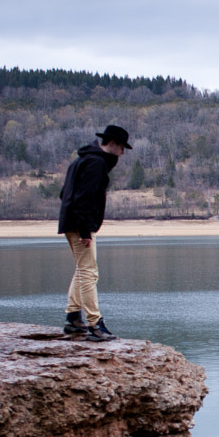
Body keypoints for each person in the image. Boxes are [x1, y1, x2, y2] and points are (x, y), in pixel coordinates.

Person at [57, 125, 130, 339]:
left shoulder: (83, 160)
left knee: (84, 269)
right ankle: (95, 325)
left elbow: (65, 194)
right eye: (122, 147)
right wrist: (86, 230)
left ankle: (73, 318)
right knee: (89, 272)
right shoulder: (95, 164)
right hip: (80, 226)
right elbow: (83, 199)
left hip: (73, 223)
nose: (123, 152)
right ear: (113, 144)